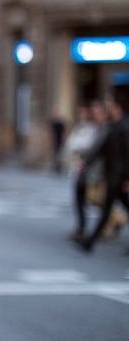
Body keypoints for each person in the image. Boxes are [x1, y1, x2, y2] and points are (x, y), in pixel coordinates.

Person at [74, 94, 129, 254]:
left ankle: (89, 242)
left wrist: (127, 178)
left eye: (109, 105)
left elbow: (127, 154)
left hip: (119, 176)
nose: (107, 108)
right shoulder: (113, 126)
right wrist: (86, 163)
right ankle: (89, 242)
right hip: (112, 175)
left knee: (106, 210)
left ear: (117, 107)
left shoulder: (124, 126)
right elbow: (100, 149)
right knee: (107, 210)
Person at [63, 100, 107, 241]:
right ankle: (83, 228)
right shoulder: (82, 128)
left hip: (96, 171)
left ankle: (111, 222)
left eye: (97, 112)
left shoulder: (100, 129)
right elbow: (71, 145)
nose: (95, 115)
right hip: (83, 169)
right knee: (84, 198)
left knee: (100, 199)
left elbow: (95, 149)